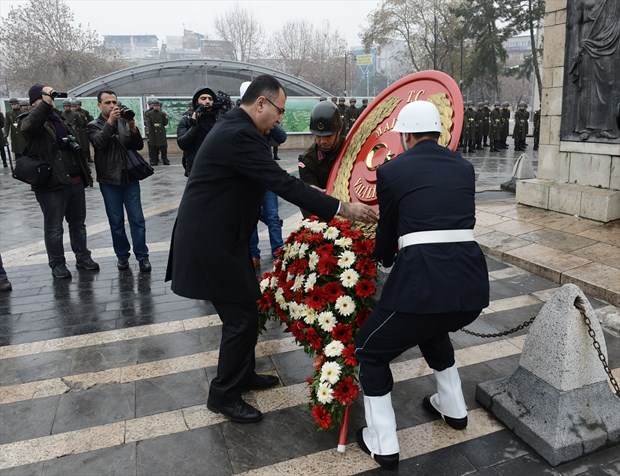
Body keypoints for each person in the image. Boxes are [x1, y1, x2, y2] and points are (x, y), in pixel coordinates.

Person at [165, 74, 377, 424]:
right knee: (240, 319)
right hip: (211, 244)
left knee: (247, 308)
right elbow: (282, 183)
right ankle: (223, 394)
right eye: (279, 111)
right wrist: (343, 208)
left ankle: (242, 374)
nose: (280, 120)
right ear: (260, 103)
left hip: (224, 239)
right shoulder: (239, 135)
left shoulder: (238, 128)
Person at [354, 101, 489, 470]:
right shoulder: (464, 167)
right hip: (470, 288)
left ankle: (382, 443)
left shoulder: (393, 170)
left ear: (406, 136)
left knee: (368, 349)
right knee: (433, 327)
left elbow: (388, 230)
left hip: (422, 282)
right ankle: (454, 408)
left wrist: (380, 258)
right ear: (438, 133)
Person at [19, 84, 99, 279]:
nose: (51, 100)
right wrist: (44, 104)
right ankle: (57, 264)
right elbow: (30, 127)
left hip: (74, 179)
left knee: (78, 224)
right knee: (54, 227)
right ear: (36, 101)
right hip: (51, 183)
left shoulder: (60, 118)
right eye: (46, 96)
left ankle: (82, 257)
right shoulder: (29, 120)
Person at [87, 89, 151, 273]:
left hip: (130, 178)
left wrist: (131, 126)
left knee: (137, 219)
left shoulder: (123, 121)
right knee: (116, 221)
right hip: (109, 180)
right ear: (99, 105)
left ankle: (143, 256)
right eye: (108, 103)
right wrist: (110, 122)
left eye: (114, 102)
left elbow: (137, 145)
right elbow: (99, 143)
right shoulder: (93, 125)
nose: (113, 106)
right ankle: (122, 256)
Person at [569, 0, 619, 140]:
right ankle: (583, 128)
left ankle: (604, 127)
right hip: (588, 40)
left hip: (609, 39)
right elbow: (575, 23)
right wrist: (575, 47)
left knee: (608, 84)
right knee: (586, 85)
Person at [298, 100, 345, 218]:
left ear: (339, 131)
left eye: (328, 136)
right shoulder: (308, 160)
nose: (323, 141)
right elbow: (308, 200)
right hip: (325, 216)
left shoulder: (350, 147)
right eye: (318, 136)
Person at [177, 86, 219, 177]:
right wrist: (195, 124)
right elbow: (183, 144)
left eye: (210, 99)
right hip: (195, 169)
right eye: (203, 98)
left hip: (216, 168)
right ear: (196, 102)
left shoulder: (219, 119)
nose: (207, 101)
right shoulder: (186, 120)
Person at [144, 98, 169, 165]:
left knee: (163, 147)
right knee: (153, 148)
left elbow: (165, 122)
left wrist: (160, 125)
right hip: (153, 133)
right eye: (154, 105)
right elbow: (148, 123)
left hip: (161, 132)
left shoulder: (162, 113)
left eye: (157, 105)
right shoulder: (149, 114)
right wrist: (149, 131)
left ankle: (165, 159)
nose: (156, 107)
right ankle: (154, 160)